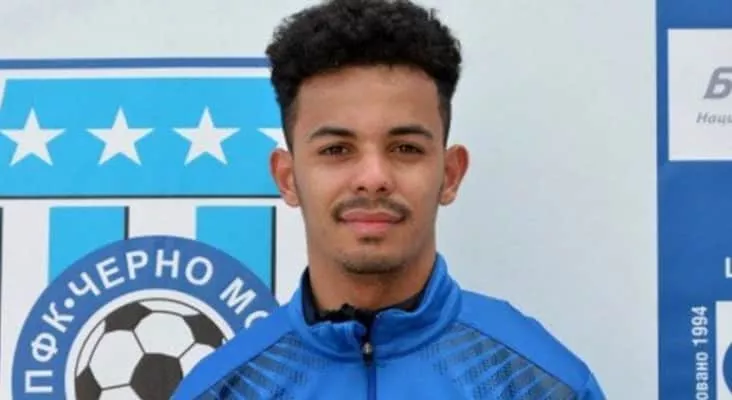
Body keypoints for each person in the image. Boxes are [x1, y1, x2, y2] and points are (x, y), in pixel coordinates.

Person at [172, 0, 606, 398]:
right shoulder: (224, 390)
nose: (373, 178)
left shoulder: (540, 385)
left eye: (405, 148)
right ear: (287, 179)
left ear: (450, 175)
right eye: (336, 150)